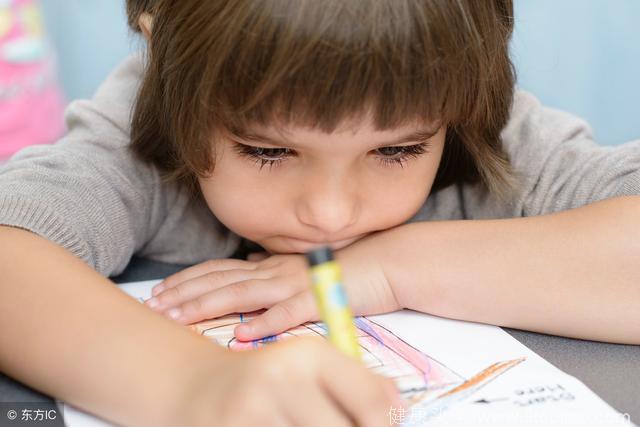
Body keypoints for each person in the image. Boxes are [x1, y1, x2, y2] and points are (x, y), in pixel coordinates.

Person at [0, 1, 639, 426]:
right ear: (161, 44)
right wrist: (197, 389)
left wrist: (394, 267)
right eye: (268, 150)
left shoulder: (486, 129)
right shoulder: (145, 130)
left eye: (398, 149)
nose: (330, 214)